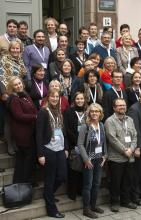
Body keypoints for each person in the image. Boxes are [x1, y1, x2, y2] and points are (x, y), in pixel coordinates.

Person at [36, 88, 68, 218]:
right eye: (52, 97)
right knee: (49, 179)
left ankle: (48, 194)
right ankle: (52, 210)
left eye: (57, 97)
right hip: (48, 148)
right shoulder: (43, 112)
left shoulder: (59, 111)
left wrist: (66, 147)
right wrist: (40, 154)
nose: (55, 99)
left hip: (60, 147)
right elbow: (38, 134)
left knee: (62, 176)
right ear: (48, 98)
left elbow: (62, 130)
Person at [105, 98, 137, 212]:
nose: (122, 107)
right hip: (116, 158)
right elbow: (112, 139)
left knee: (127, 181)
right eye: (119, 105)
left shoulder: (130, 120)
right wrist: (125, 150)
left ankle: (126, 201)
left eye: (123, 105)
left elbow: (135, 136)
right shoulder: (110, 121)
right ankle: (114, 202)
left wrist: (132, 149)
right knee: (115, 182)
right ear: (114, 108)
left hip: (129, 156)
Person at [78, 103, 107, 218]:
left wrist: (105, 156)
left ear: (100, 113)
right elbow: (80, 144)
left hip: (99, 159)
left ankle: (93, 205)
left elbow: (103, 142)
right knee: (88, 185)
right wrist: (85, 159)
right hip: (89, 160)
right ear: (89, 113)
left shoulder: (101, 125)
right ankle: (86, 209)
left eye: (97, 111)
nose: (94, 113)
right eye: (92, 111)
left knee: (96, 183)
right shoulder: (85, 126)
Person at [7, 76, 37, 183]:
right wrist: (35, 117)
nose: (18, 86)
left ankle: (23, 183)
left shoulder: (24, 94)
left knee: (25, 160)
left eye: (19, 83)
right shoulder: (14, 99)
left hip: (29, 132)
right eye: (15, 84)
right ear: (12, 87)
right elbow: (19, 116)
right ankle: (24, 183)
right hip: (22, 135)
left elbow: (33, 108)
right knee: (26, 159)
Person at [0, 40, 27, 156]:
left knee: (16, 119)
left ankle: (16, 143)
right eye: (13, 48)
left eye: (17, 48)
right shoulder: (4, 60)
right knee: (8, 120)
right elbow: (1, 77)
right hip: (8, 94)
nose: (15, 50)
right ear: (10, 49)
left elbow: (24, 74)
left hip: (19, 93)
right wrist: (4, 93)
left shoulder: (21, 60)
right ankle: (10, 145)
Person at [64, 92, 86, 200]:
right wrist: (78, 141)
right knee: (74, 169)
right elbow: (67, 129)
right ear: (74, 100)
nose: (80, 100)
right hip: (74, 145)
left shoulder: (88, 112)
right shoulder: (69, 112)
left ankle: (81, 190)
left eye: (82, 98)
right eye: (78, 99)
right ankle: (72, 192)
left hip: (86, 145)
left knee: (84, 168)